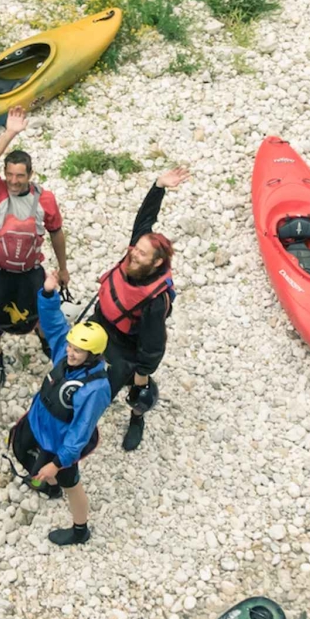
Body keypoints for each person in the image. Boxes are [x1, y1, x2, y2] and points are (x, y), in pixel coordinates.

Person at [90, 167, 191, 452]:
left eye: (142, 253)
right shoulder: (137, 253)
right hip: (101, 320)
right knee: (81, 365)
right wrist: (158, 186)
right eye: (136, 248)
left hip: (126, 345)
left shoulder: (155, 300)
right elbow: (145, 219)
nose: (134, 252)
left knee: (129, 391)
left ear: (156, 263)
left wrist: (142, 374)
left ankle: (137, 417)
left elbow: (153, 344)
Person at [8, 269, 111, 546]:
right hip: (39, 423)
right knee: (21, 449)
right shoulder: (65, 358)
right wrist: (49, 293)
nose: (70, 352)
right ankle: (49, 487)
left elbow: (80, 432)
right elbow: (54, 325)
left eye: (78, 351)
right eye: (70, 347)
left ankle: (80, 529)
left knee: (71, 483)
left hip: (61, 443)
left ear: (93, 355)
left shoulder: (94, 388)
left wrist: (58, 463)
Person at [0, 105, 69, 387]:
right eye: (10, 175)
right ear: (5, 173)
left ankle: (45, 341)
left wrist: (63, 268)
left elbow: (56, 233)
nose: (14, 181)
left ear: (30, 174)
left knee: (38, 311)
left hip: (29, 269)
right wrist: (10, 133)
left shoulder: (45, 200)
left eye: (20, 176)